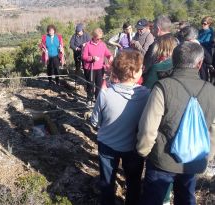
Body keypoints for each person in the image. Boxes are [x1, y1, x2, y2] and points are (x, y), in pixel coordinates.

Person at [137, 42, 215, 205]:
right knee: (186, 199)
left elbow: (148, 127)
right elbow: (213, 129)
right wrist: (206, 157)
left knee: (152, 200)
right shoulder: (211, 90)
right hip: (193, 160)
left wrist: (143, 151)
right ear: (199, 63)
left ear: (174, 60)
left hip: (162, 160)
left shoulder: (163, 87)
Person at [91, 50, 149, 205]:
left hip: (107, 146)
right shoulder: (147, 95)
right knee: (134, 182)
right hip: (134, 147)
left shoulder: (105, 94)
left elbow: (95, 122)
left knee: (107, 182)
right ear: (136, 73)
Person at [82, 28, 113, 101]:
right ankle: (89, 99)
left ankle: (97, 99)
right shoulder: (88, 45)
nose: (100, 40)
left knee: (99, 85)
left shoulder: (102, 44)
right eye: (98, 38)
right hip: (90, 68)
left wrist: (110, 56)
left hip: (100, 68)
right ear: (94, 37)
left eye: (101, 38)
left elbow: (107, 53)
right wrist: (92, 58)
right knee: (90, 84)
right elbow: (84, 57)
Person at [198, 16, 214, 81]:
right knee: (201, 71)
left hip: (206, 53)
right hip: (200, 52)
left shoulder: (210, 32)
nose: (202, 25)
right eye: (202, 23)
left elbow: (206, 42)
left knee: (204, 72)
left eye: (204, 24)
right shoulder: (200, 31)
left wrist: (196, 41)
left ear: (209, 24)